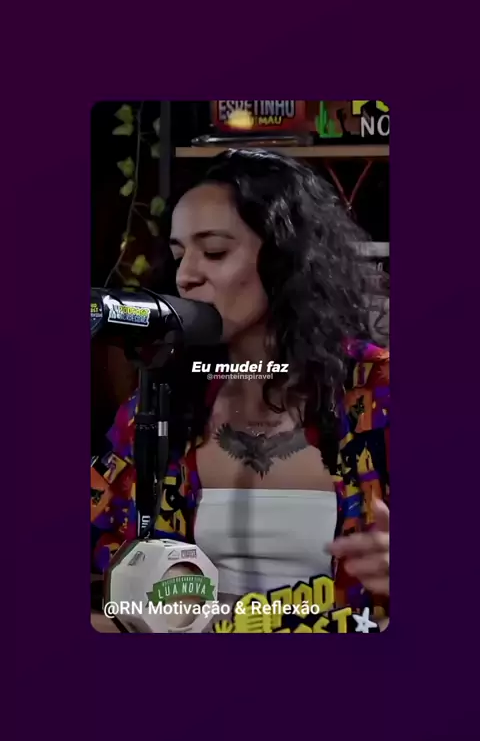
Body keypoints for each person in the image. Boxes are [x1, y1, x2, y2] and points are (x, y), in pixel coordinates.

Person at [91, 148, 390, 632]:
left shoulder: (379, 391)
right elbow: (101, 544)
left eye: (214, 252)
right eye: (179, 255)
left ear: (285, 259)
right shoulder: (160, 402)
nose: (186, 276)